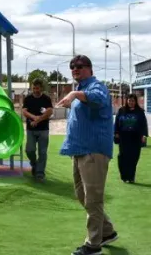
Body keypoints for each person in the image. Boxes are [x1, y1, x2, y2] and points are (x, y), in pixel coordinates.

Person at [57, 55, 119, 255]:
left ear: (90, 69)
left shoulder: (96, 87)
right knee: (82, 195)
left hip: (93, 151)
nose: (75, 69)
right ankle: (107, 231)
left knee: (93, 198)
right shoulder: (82, 90)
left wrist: (74, 94)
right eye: (72, 67)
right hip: (79, 150)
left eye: (79, 66)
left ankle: (93, 244)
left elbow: (98, 99)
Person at [22, 78, 53, 181]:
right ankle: (34, 163)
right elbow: (24, 111)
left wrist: (38, 120)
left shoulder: (46, 99)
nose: (35, 90)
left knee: (42, 152)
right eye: (34, 88)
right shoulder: (28, 98)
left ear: (41, 88)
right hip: (31, 130)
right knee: (29, 150)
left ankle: (40, 173)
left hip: (43, 129)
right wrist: (34, 117)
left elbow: (49, 111)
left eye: (37, 88)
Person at [114, 94, 148, 183]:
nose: (131, 102)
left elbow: (144, 124)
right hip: (124, 138)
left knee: (134, 157)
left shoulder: (140, 112)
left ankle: (131, 177)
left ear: (135, 102)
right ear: (127, 101)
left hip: (135, 138)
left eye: (133, 101)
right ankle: (124, 176)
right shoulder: (121, 110)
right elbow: (116, 122)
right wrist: (116, 133)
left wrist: (144, 135)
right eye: (129, 100)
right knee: (123, 157)